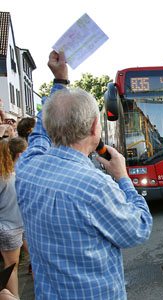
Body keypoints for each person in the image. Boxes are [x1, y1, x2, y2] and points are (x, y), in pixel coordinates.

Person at [15, 51, 153, 299]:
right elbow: (139, 228)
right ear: (93, 128)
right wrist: (123, 179)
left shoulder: (27, 166)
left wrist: (60, 81)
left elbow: (39, 134)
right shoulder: (95, 186)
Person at [0, 141, 23, 298]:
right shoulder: (11, 177)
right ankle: (14, 296)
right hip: (11, 228)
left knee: (11, 266)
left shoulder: (6, 176)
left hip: (11, 227)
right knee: (12, 267)